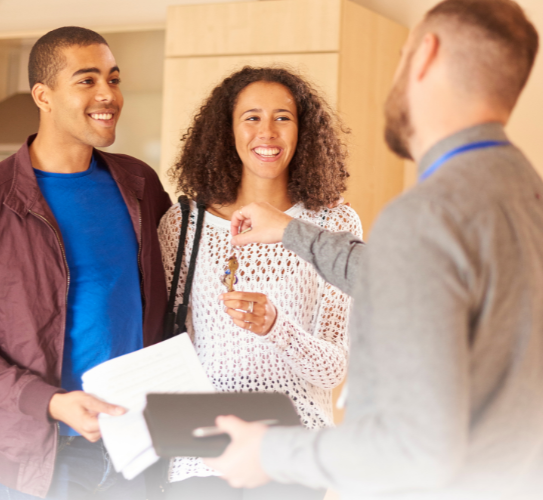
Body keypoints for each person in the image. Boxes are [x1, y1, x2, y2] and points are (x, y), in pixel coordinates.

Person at [202, 1, 543, 499]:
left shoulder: (426, 216)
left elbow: (414, 449)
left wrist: (270, 452)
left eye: (402, 56)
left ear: (425, 56)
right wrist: (293, 233)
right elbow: (403, 278)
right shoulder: (525, 195)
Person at [0, 27, 172, 499]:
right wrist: (53, 402)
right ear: (43, 95)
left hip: (135, 446)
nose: (108, 94)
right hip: (42, 457)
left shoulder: (139, 183)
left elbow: (176, 290)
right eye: (87, 80)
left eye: (114, 79)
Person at [158, 66, 362, 499]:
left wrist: (276, 328)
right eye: (251, 117)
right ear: (227, 131)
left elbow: (332, 372)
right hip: (202, 456)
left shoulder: (333, 222)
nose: (267, 132)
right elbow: (170, 350)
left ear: (302, 130)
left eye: (283, 117)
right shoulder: (184, 224)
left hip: (293, 455)